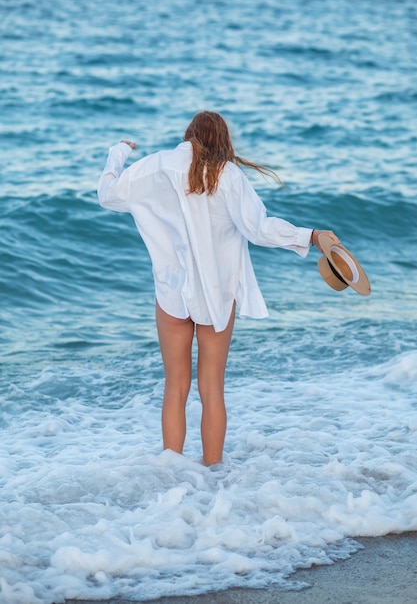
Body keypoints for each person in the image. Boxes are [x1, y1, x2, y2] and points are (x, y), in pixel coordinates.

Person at [97, 111, 338, 466]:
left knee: (175, 387)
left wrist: (118, 151)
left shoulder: (153, 167)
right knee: (212, 390)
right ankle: (212, 476)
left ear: (188, 135)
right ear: (222, 140)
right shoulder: (228, 175)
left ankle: (171, 474)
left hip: (171, 292)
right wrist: (311, 236)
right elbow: (259, 229)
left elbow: (107, 195)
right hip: (218, 296)